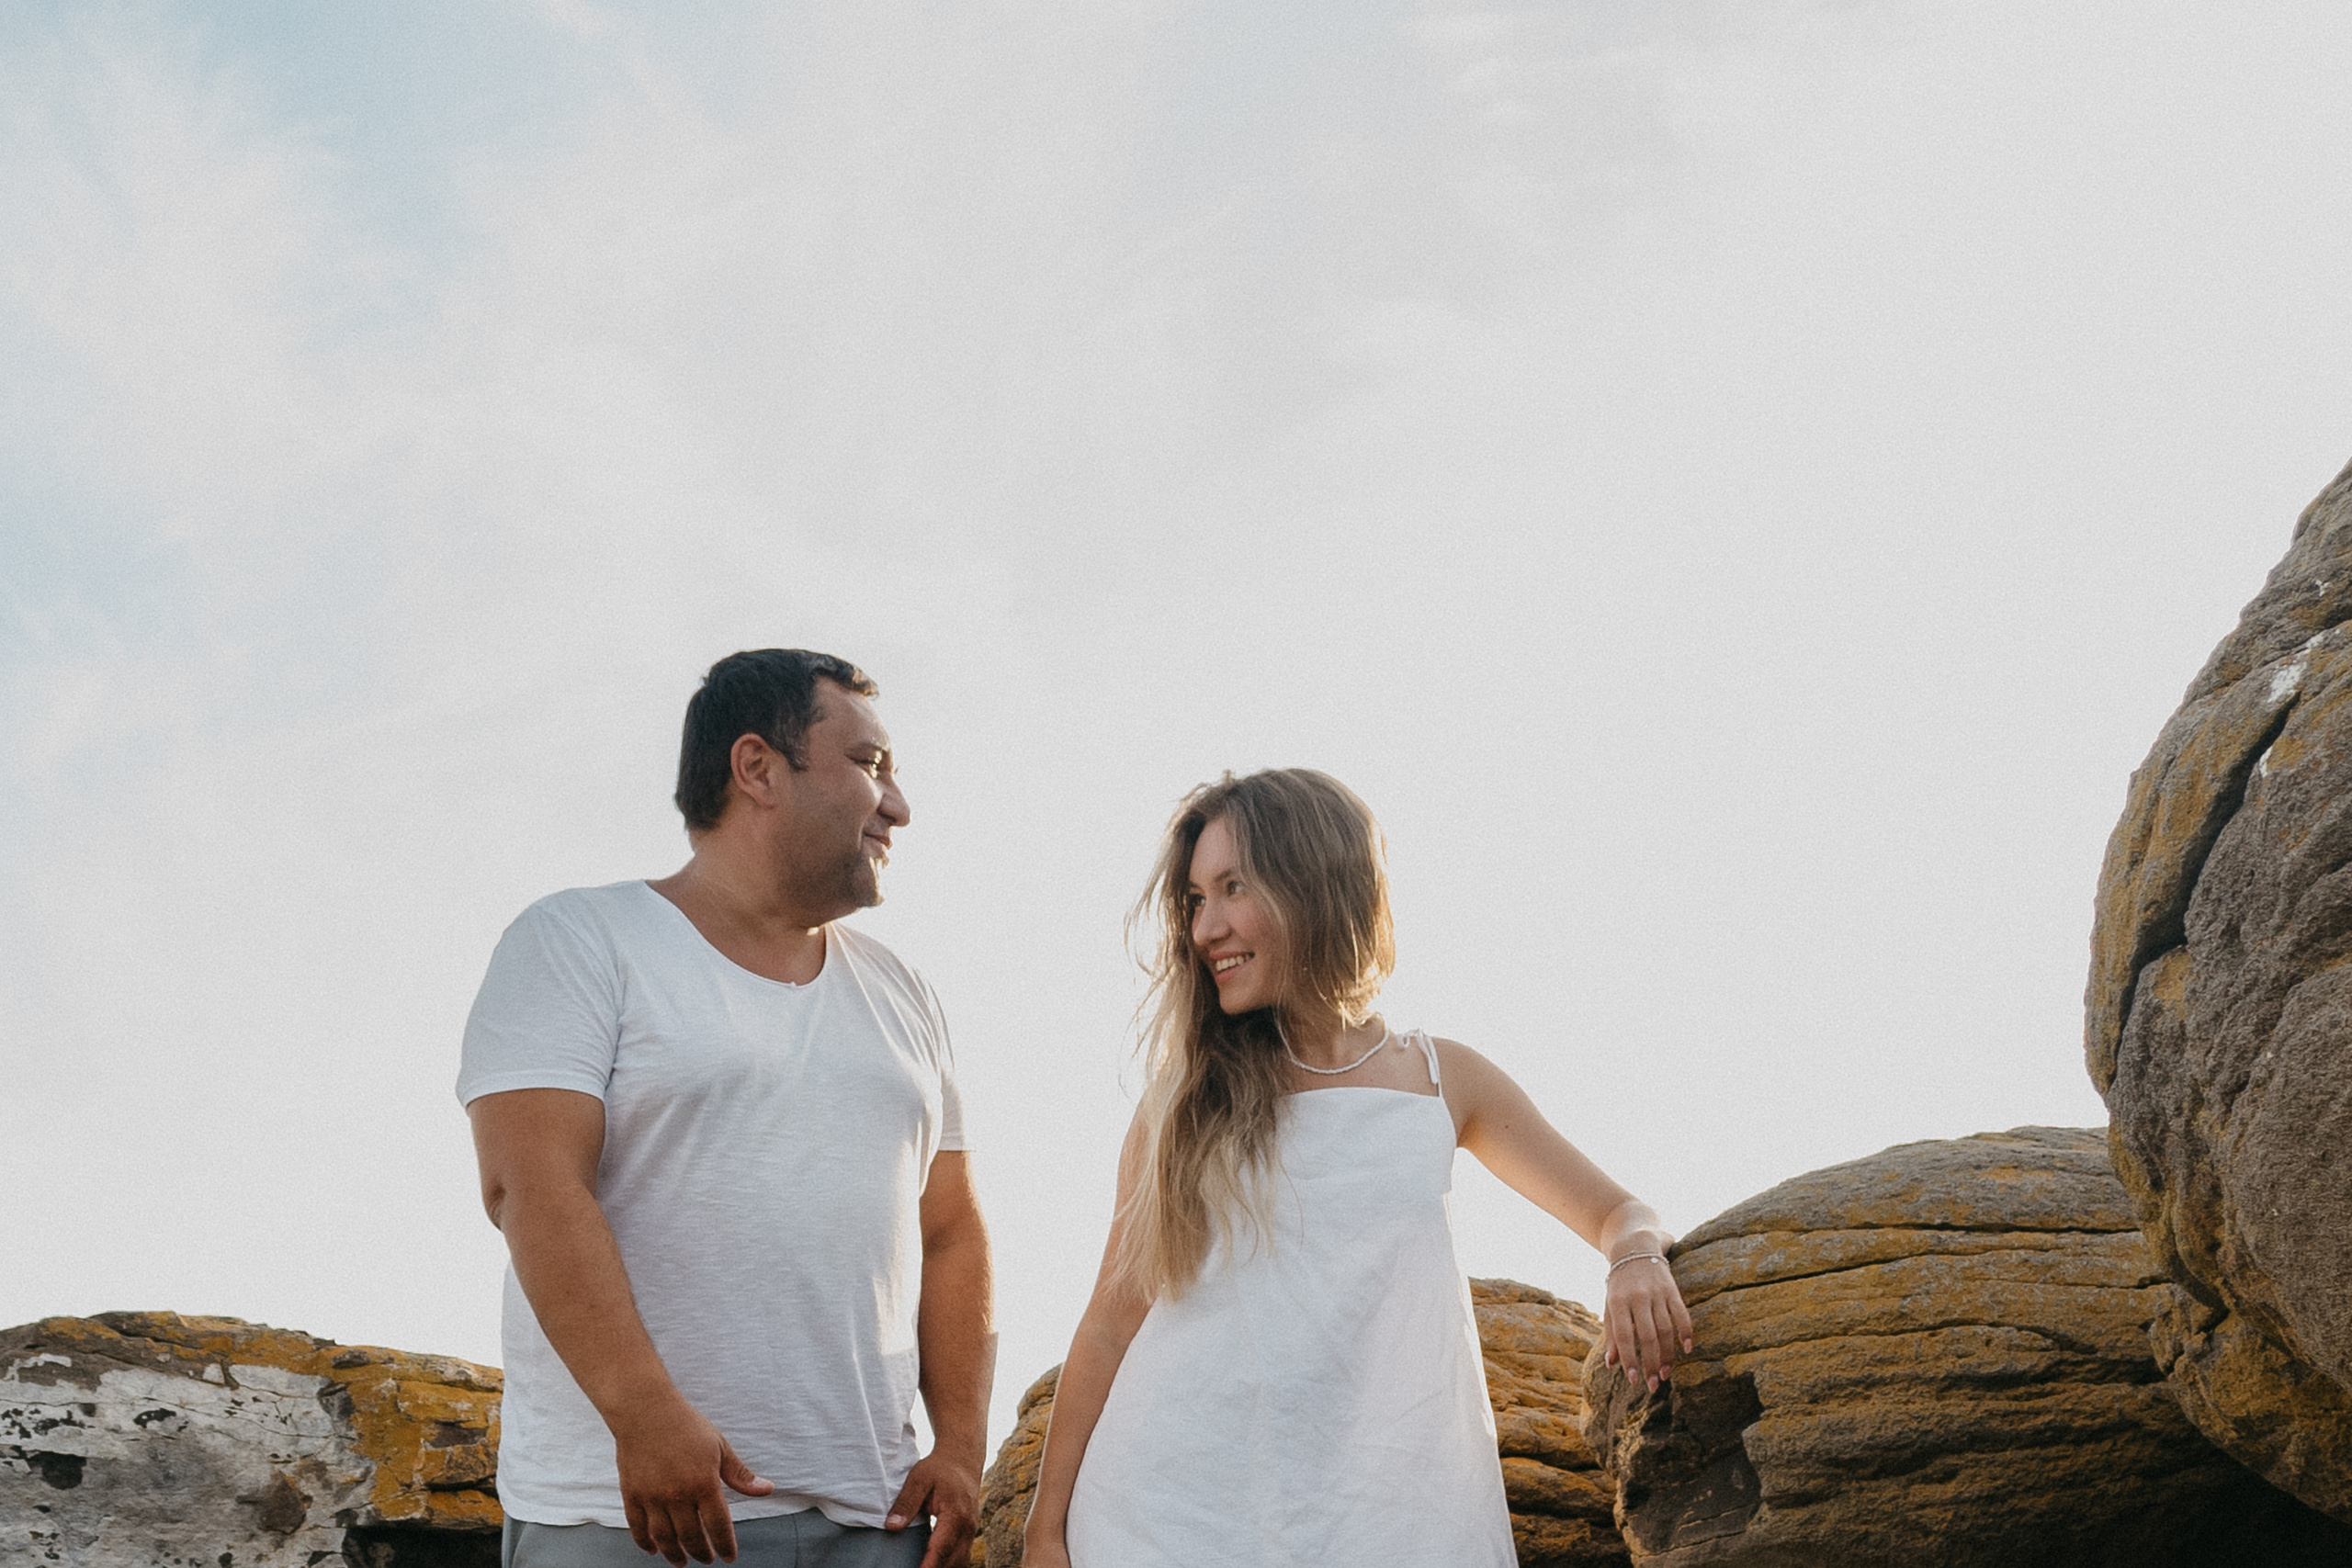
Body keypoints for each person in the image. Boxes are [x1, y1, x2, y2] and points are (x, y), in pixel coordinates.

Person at [1021, 768, 1692, 1567]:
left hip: (1391, 1515)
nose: (1205, 928)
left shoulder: (1444, 1079)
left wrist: (1636, 1258)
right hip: (1169, 1517)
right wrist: (1046, 1530)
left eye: (1233, 886)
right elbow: (1109, 1321)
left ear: (1316, 884)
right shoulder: (1182, 1102)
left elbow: (1618, 1211)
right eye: (1195, 899)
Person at [458, 649, 993, 1568]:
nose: (898, 805)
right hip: (634, 1520)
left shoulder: (906, 994)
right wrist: (645, 1415)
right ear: (757, 768)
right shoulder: (577, 941)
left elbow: (948, 1232)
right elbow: (532, 1186)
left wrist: (961, 1447)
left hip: (876, 1528)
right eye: (870, 765)